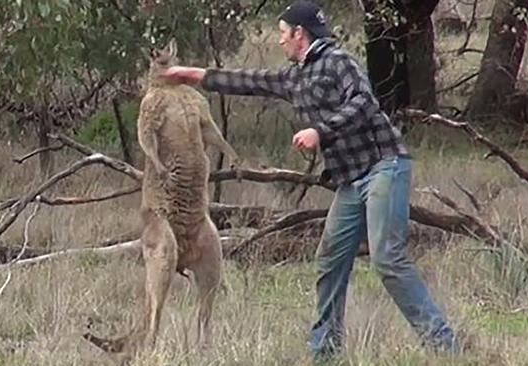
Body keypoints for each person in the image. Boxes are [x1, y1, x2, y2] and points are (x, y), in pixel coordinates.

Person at [162, 0, 461, 360]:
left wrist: (320, 131)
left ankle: (445, 347)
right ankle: (325, 351)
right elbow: (248, 80)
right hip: (350, 180)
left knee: (387, 260)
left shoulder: (339, 62)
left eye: (283, 34)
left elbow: (364, 103)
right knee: (331, 258)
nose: (279, 42)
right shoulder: (295, 76)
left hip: (384, 166)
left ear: (300, 34)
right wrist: (190, 74)